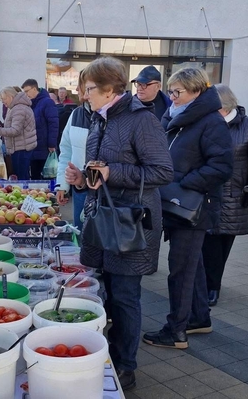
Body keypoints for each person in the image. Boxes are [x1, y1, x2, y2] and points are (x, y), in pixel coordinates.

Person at [66, 56, 174, 391]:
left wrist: (114, 173)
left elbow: (162, 172)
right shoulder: (101, 118)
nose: (85, 95)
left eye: (89, 89)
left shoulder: (141, 120)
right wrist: (83, 180)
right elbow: (101, 171)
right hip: (104, 219)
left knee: (126, 296)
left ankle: (126, 365)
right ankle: (109, 355)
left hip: (130, 223)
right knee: (108, 293)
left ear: (111, 88)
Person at [142, 68, 233, 349]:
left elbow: (221, 167)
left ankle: (176, 330)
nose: (172, 97)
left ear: (196, 91)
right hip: (178, 203)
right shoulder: (178, 118)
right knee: (194, 265)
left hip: (194, 208)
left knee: (180, 270)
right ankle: (198, 318)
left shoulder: (210, 122)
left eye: (177, 92)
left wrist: (182, 183)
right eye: (171, 91)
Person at [200, 84, 248, 307]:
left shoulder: (247, 126)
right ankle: (209, 285)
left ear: (225, 106)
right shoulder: (206, 123)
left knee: (224, 243)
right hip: (208, 193)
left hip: (235, 195)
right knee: (208, 243)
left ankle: (213, 283)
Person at [55, 72, 92, 230]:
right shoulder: (76, 114)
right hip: (80, 191)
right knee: (80, 235)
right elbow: (66, 151)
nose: (76, 89)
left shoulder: (113, 118)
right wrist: (62, 185)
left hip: (105, 195)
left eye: (80, 85)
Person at [0, 86, 37, 180]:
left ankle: (24, 194)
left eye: (3, 99)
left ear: (10, 97)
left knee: (21, 178)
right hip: (20, 148)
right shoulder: (15, 107)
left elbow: (15, 130)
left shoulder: (19, 109)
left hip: (21, 149)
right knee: (22, 176)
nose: (3, 102)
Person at [21, 79, 59, 179]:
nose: (25, 94)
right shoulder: (31, 103)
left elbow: (53, 124)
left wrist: (51, 144)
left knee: (46, 177)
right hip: (33, 147)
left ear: (34, 88)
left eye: (27, 91)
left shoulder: (47, 102)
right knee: (34, 177)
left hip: (44, 147)